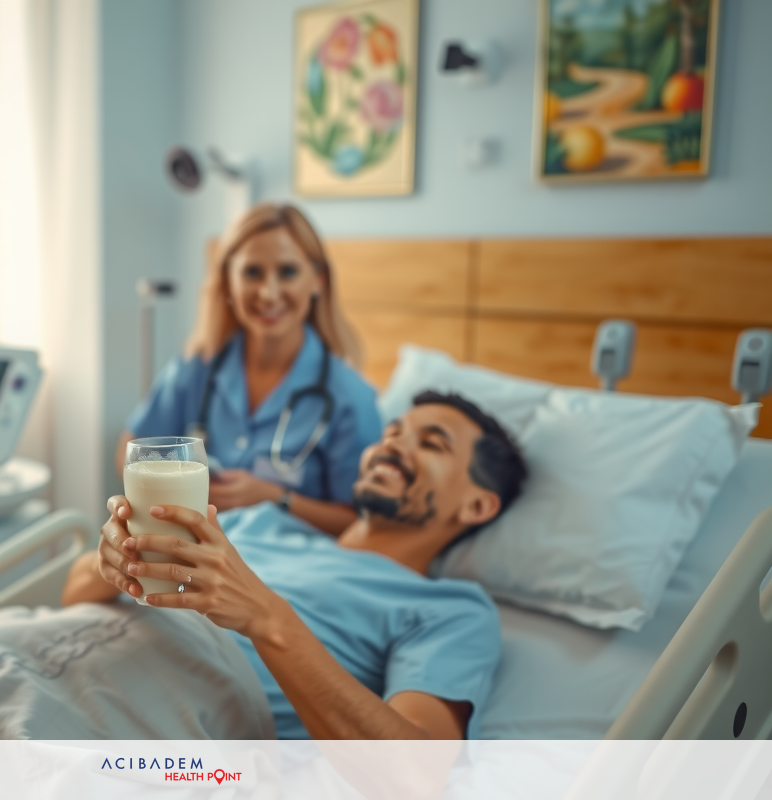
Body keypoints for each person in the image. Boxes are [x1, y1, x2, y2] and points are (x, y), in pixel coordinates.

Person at [66, 391, 528, 739]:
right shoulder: (260, 521)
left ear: (477, 506)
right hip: (45, 655)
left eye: (431, 444)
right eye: (392, 433)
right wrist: (112, 561)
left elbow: (412, 776)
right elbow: (73, 594)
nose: (392, 446)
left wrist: (268, 619)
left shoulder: (450, 610)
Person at [118, 203, 381, 536]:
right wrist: (179, 490)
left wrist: (276, 499)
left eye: (287, 272)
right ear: (228, 281)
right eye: (252, 273)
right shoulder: (196, 368)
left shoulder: (351, 398)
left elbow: (364, 525)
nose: (268, 294)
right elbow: (130, 451)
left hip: (282, 571)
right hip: (186, 555)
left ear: (318, 281)